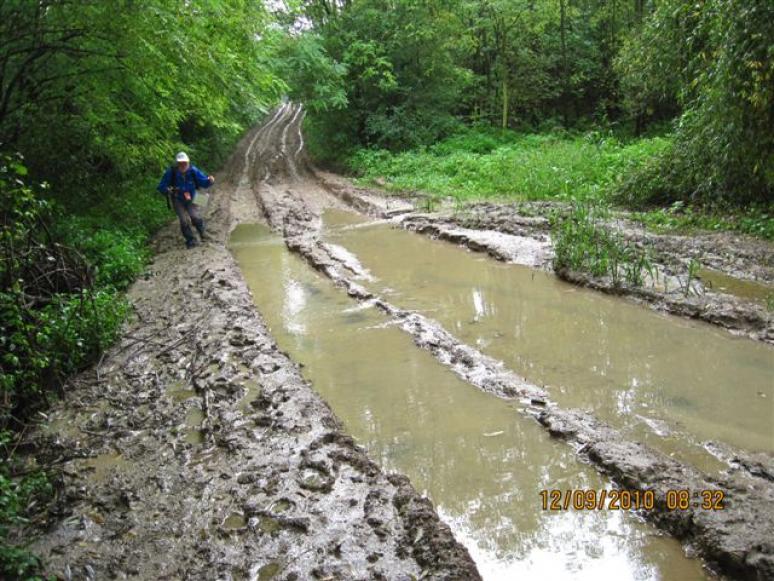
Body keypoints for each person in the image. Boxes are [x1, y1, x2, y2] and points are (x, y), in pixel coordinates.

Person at [157, 152, 215, 248]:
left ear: (188, 162)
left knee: (195, 216)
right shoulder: (171, 172)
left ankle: (203, 234)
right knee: (183, 220)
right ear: (177, 163)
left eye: (185, 162)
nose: (183, 164)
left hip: (192, 198)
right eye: (180, 163)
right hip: (177, 199)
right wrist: (167, 190)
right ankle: (191, 240)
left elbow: (204, 181)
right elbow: (161, 186)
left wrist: (210, 180)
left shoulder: (193, 170)